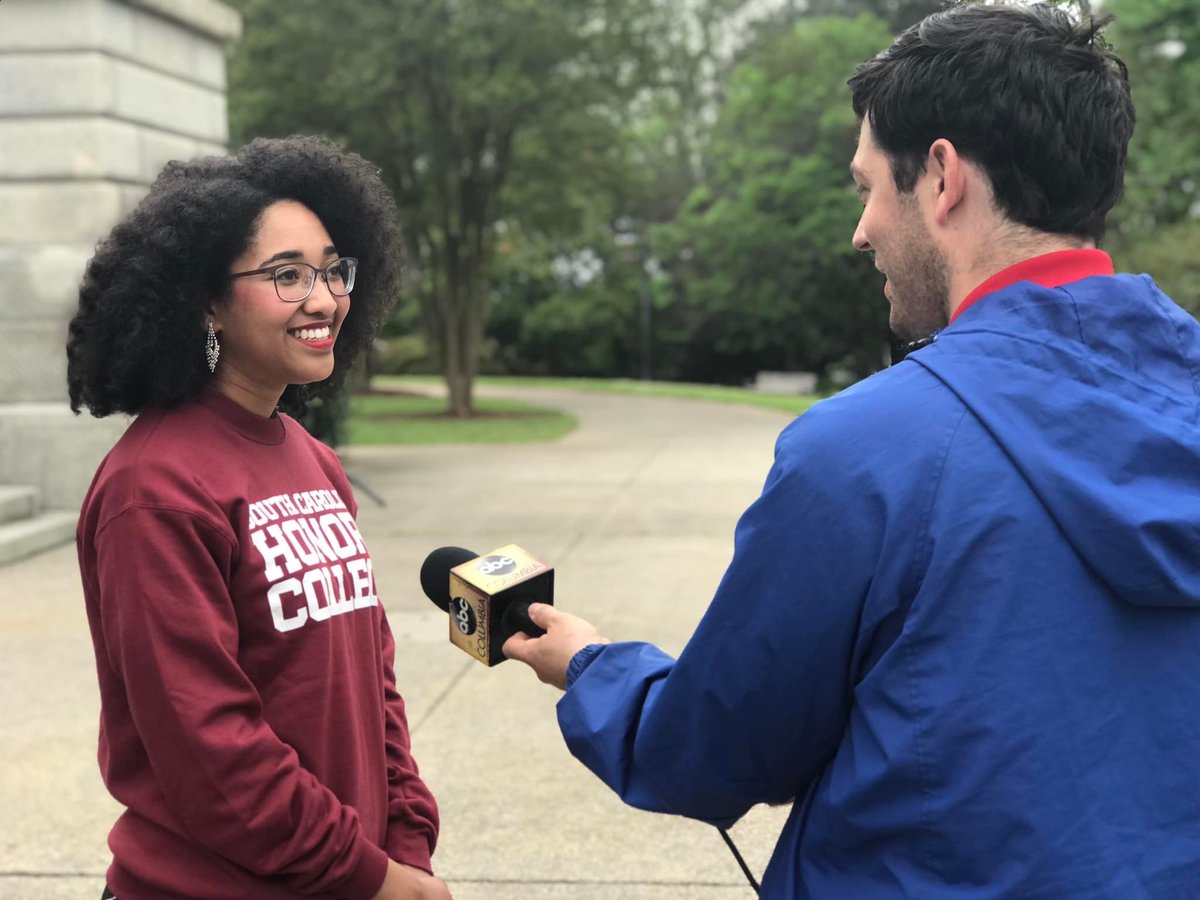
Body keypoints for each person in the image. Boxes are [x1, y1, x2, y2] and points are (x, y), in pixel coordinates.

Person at [503, 4, 1200, 897]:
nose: (861, 229)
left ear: (941, 177)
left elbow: (712, 753)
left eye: (868, 186)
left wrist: (592, 668)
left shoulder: (866, 450)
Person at [69, 136, 452, 900]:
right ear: (206, 300)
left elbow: (374, 683)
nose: (324, 299)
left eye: (331, 269)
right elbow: (210, 746)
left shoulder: (314, 460)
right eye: (287, 276)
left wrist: (406, 838)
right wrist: (370, 877)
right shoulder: (154, 488)